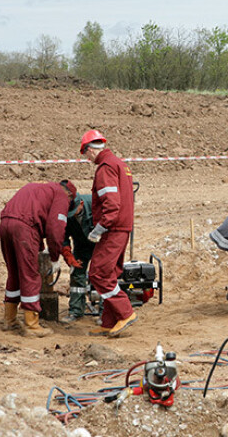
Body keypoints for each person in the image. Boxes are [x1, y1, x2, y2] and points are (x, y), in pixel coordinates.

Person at [0, 179, 77, 337]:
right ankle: (32, 325)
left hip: (5, 224)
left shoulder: (36, 187)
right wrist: (55, 257)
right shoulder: (62, 195)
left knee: (14, 274)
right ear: (70, 195)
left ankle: (10, 319)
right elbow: (55, 229)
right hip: (24, 228)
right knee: (30, 275)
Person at [80, 129, 136, 337]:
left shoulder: (105, 168)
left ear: (90, 151)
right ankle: (108, 321)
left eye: (86, 154)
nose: (87, 159)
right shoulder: (119, 164)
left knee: (98, 273)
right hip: (123, 227)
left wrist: (101, 227)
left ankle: (125, 312)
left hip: (113, 229)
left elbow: (112, 203)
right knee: (110, 273)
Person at [59, 190, 95, 323]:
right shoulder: (67, 214)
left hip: (101, 245)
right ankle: (76, 310)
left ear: (81, 204)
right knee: (77, 275)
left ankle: (105, 312)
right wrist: (68, 255)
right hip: (81, 245)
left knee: (101, 276)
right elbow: (63, 236)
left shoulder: (94, 204)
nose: (72, 215)